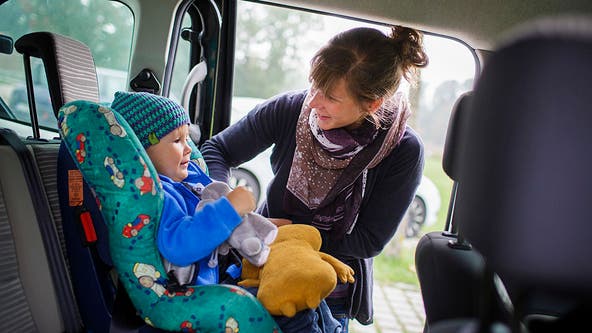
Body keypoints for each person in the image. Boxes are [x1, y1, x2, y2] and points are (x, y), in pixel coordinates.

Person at [200, 25, 429, 331]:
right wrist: (224, 201)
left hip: (330, 288)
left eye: (331, 97)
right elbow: (218, 149)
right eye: (314, 85)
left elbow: (369, 240)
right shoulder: (291, 108)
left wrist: (293, 233)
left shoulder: (404, 151)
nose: (314, 101)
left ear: (372, 104)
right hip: (263, 269)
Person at [110, 91, 340, 333]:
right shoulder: (159, 196)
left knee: (304, 282)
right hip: (198, 294)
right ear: (143, 153)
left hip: (224, 273)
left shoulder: (187, 182)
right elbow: (179, 246)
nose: (188, 149)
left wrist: (264, 224)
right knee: (294, 310)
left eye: (188, 139)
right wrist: (229, 208)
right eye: (177, 141)